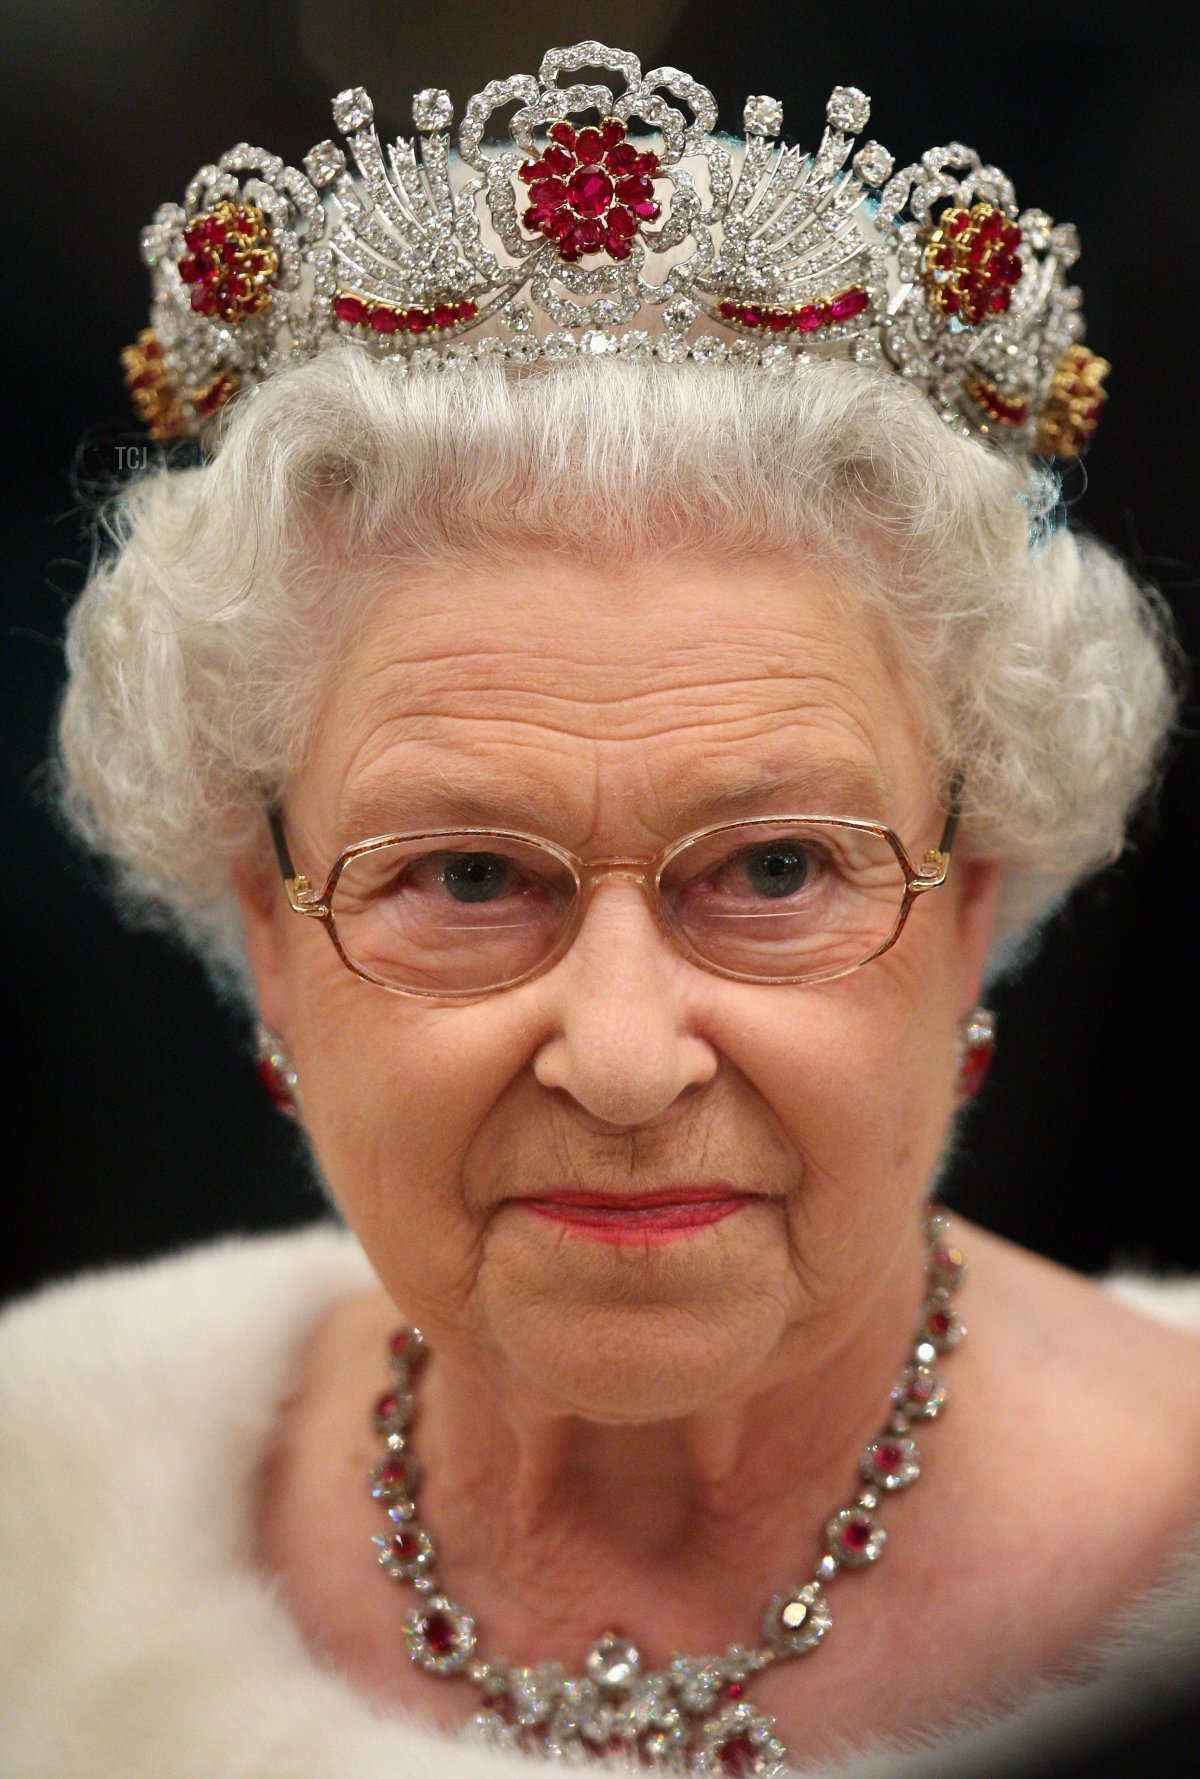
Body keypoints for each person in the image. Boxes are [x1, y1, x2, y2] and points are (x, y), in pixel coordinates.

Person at [2, 41, 1198, 1779]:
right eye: (466, 878)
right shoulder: (41, 1502)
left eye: (776, 870)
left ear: (972, 910)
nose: (626, 1060)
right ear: (266, 930)